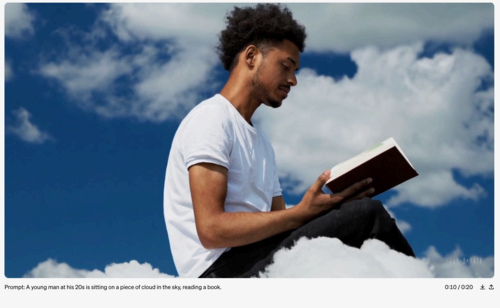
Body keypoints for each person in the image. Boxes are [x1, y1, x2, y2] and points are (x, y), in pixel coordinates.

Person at [163, 3, 415, 278]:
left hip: (255, 258)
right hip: (218, 274)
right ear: (251, 57)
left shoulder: (263, 144)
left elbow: (281, 224)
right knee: (368, 215)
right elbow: (211, 230)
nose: (293, 80)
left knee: (353, 220)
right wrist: (304, 214)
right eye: (286, 66)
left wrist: (331, 207)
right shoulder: (211, 119)